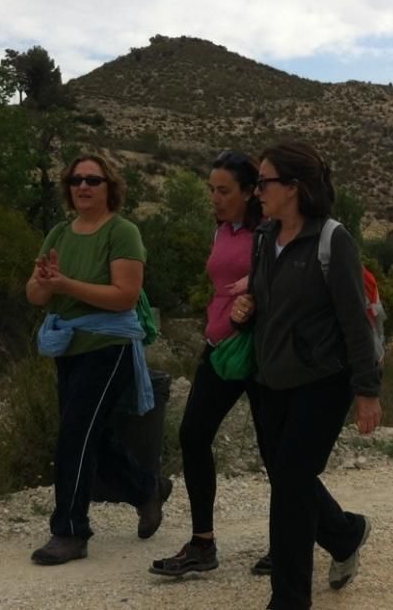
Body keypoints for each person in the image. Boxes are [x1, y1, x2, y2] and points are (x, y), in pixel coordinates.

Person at [232, 142, 382, 610]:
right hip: (271, 379)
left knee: (291, 485)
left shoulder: (332, 240)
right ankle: (345, 533)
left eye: (264, 182)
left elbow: (354, 321)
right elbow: (266, 300)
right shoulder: (263, 238)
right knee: (288, 478)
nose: (256, 191)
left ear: (293, 188)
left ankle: (289, 599)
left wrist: (367, 391)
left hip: (322, 381)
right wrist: (246, 307)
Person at [26, 153, 170, 565]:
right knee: (91, 436)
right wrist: (45, 283)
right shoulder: (58, 233)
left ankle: (70, 531)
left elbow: (124, 296)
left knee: (75, 435)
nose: (83, 186)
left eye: (93, 179)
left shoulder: (122, 233)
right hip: (68, 347)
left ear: (110, 188)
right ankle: (146, 489)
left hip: (108, 347)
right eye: (76, 180)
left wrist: (66, 283)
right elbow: (35, 295)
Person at [149, 150, 271, 578]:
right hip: (220, 346)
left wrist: (256, 288)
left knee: (274, 450)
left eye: (224, 191)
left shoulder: (270, 231)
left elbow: (291, 279)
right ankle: (203, 543)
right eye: (211, 190)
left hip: (261, 352)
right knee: (193, 434)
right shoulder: (223, 230)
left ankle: (289, 540)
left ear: (249, 192)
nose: (215, 199)